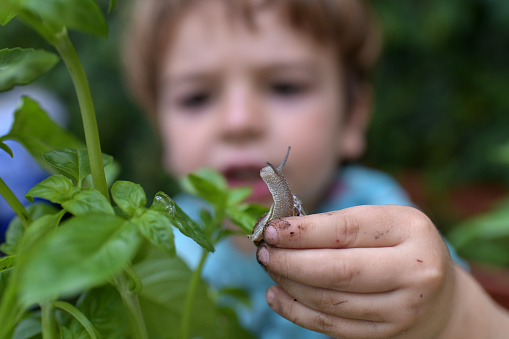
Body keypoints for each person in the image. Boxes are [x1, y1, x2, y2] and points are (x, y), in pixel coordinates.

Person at [123, 0, 509, 337]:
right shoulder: (161, 238)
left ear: (353, 116)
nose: (238, 120)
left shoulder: (375, 213)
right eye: (197, 97)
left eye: (286, 87)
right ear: (160, 131)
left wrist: (448, 315)